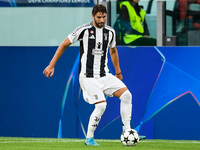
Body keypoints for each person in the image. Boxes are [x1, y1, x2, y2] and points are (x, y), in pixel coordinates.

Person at [43, 4, 136, 146]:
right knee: (101, 105)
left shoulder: (110, 32)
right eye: (99, 17)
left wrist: (118, 72)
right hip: (88, 76)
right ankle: (89, 138)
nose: (102, 20)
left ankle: (127, 132)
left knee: (127, 95)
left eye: (104, 17)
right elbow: (64, 44)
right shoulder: (83, 30)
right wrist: (51, 64)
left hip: (105, 75)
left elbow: (113, 51)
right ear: (93, 16)